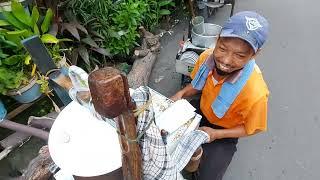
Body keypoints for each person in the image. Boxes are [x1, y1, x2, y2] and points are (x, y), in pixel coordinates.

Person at [171, 11, 270, 180]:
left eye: (240, 55)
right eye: (223, 49)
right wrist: (180, 94)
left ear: (255, 54)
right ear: (217, 39)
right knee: (166, 138)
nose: (226, 61)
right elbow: (196, 86)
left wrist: (216, 134)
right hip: (201, 112)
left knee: (207, 176)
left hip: (225, 132)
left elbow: (250, 129)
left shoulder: (256, 93)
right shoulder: (205, 58)